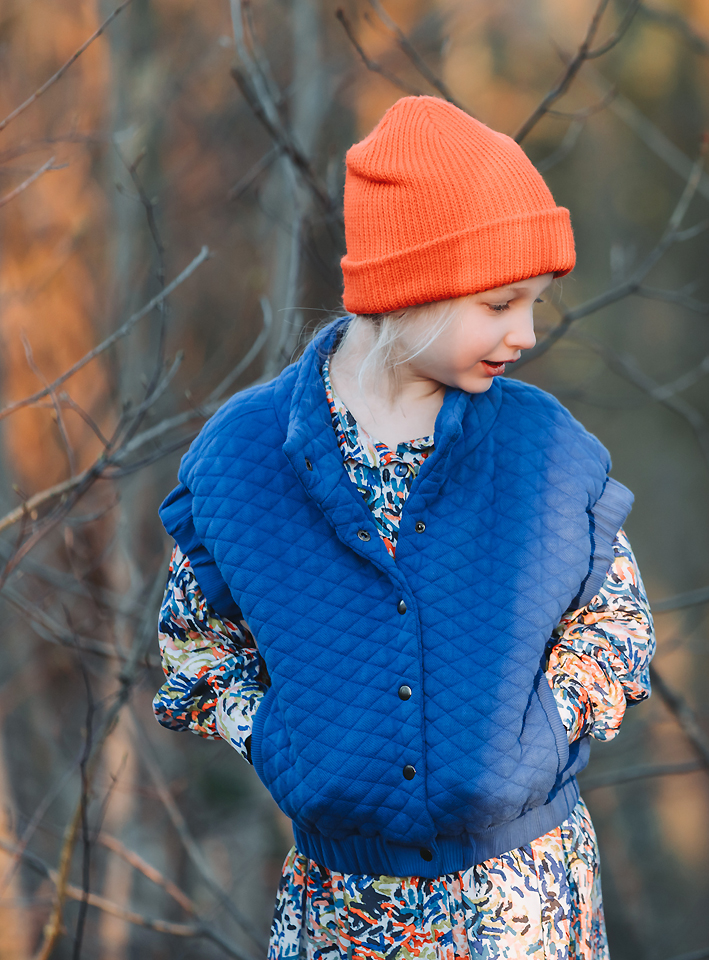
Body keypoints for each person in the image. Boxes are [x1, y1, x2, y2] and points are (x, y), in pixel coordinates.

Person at [154, 95, 656, 960]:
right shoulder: (245, 456)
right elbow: (194, 646)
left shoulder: (540, 446)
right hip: (342, 907)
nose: (527, 332)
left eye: (535, 303)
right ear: (411, 289)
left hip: (523, 900)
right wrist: (279, 741)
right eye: (500, 303)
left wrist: (546, 728)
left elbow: (619, 624)